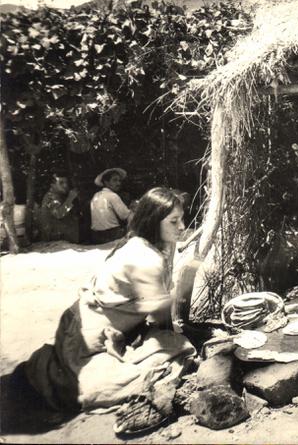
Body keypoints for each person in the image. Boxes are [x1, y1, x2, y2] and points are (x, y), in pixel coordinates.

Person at [24, 187, 195, 417]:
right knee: (176, 352)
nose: (182, 227)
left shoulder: (145, 243)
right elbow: (160, 314)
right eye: (174, 221)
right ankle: (58, 373)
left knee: (169, 347)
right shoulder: (145, 258)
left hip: (89, 325)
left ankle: (60, 366)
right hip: (85, 337)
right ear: (154, 222)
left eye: (181, 219)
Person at [90, 167, 131, 243]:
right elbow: (125, 215)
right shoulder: (112, 195)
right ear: (106, 182)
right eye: (115, 180)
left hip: (95, 236)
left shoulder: (96, 195)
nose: (118, 183)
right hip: (111, 234)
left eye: (119, 180)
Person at [37, 172, 80, 243]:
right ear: (52, 185)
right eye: (61, 183)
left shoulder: (60, 196)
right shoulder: (50, 197)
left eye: (66, 182)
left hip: (63, 238)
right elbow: (59, 214)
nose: (65, 185)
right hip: (56, 240)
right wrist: (71, 198)